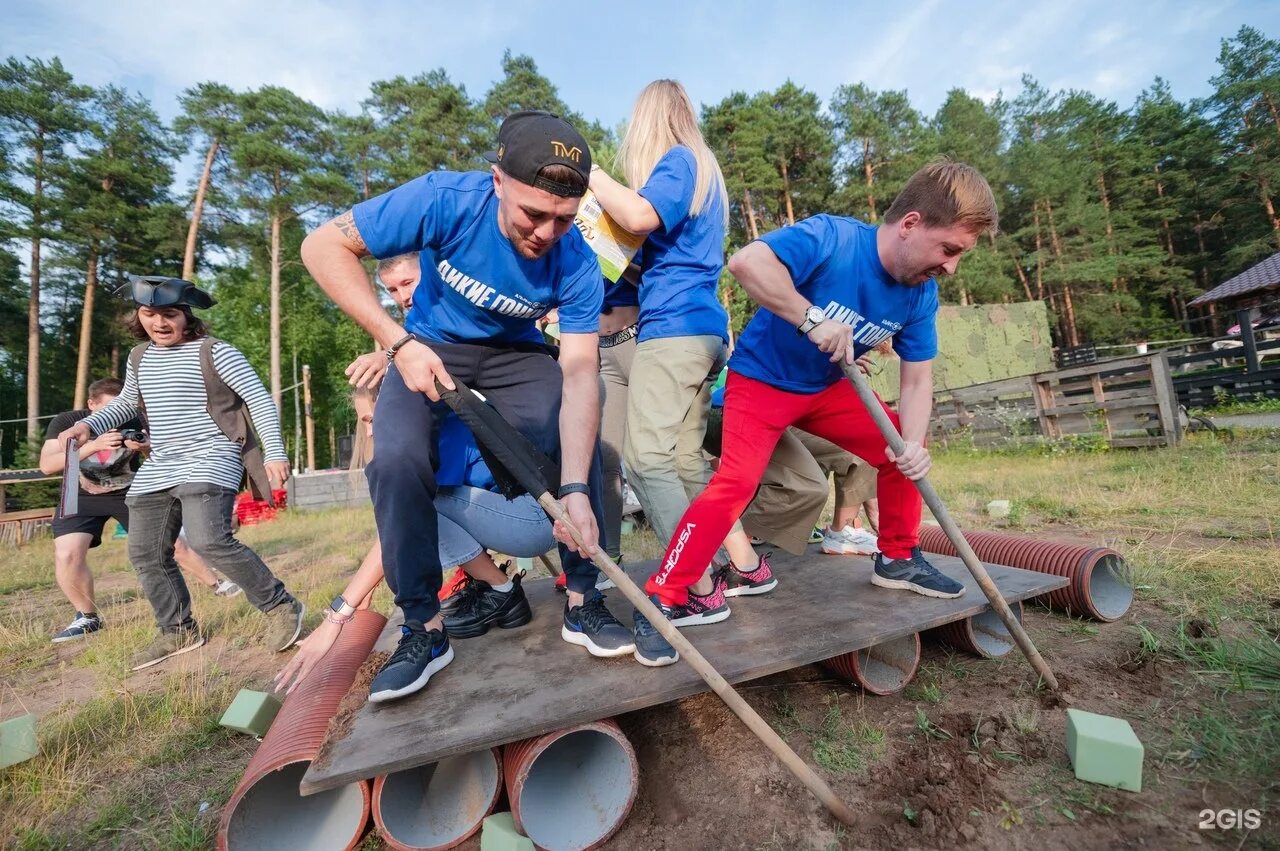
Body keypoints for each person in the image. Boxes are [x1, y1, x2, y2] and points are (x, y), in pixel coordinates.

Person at [301, 110, 634, 704]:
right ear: (498, 181)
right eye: (534, 214)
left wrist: (577, 486)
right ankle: (424, 630)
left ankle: (584, 600)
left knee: (571, 435)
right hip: (426, 343)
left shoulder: (577, 259)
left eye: (562, 219)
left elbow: (581, 370)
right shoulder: (445, 198)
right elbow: (322, 245)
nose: (546, 233)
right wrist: (397, 342)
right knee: (396, 459)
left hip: (515, 353)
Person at [633, 159, 999, 666]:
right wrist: (810, 318)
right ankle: (665, 596)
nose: (952, 266)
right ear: (911, 224)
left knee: (900, 447)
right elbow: (745, 264)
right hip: (761, 382)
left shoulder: (921, 294)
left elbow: (919, 378)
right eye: (950, 249)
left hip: (827, 391)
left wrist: (912, 446)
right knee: (734, 483)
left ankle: (896, 557)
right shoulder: (832, 238)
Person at [588, 79, 769, 630]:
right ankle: (731, 566)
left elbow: (639, 217)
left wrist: (589, 174)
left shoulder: (679, 159)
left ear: (648, 122)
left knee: (644, 460)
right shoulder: (705, 172)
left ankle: (694, 588)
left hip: (672, 332)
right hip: (704, 330)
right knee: (687, 462)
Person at [58, 276, 305, 671]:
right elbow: (125, 404)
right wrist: (89, 425)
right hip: (160, 463)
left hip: (212, 455)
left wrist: (275, 451)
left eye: (169, 314)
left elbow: (258, 398)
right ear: (139, 317)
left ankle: (280, 606)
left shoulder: (216, 352)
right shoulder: (139, 357)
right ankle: (177, 630)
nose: (159, 322)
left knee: (209, 540)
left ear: (186, 315)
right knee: (145, 552)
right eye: (150, 314)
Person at [275, 389, 556, 693]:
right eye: (364, 422)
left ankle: (494, 595)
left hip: (536, 521)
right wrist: (363, 594)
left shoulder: (441, 432)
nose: (369, 430)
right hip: (521, 515)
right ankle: (501, 591)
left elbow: (407, 520)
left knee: (422, 503)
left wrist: (339, 614)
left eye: (373, 419)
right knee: (419, 504)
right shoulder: (432, 424)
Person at [39, 378, 146, 642]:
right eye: (109, 409)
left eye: (122, 408)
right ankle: (87, 617)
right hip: (82, 493)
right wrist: (93, 446)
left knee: (174, 545)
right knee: (66, 554)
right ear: (91, 404)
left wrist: (145, 446)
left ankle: (216, 586)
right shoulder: (68, 422)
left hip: (129, 491)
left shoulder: (138, 420)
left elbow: (170, 456)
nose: (114, 418)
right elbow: (47, 465)